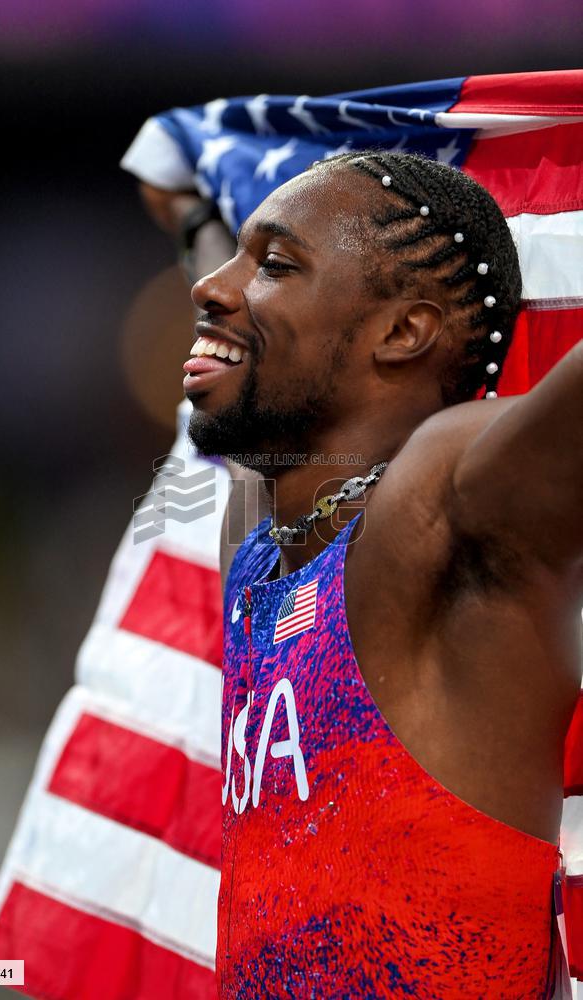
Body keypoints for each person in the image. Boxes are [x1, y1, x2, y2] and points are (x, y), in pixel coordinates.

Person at [182, 150, 583, 998]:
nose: (212, 287)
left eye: (276, 265)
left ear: (403, 333)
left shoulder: (445, 500)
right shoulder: (256, 545)